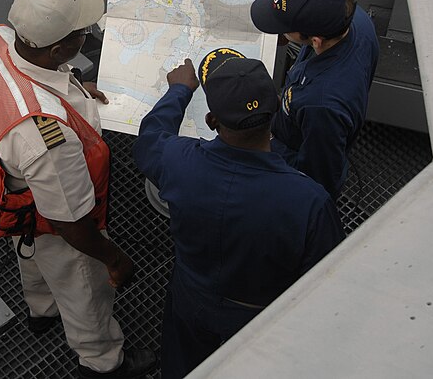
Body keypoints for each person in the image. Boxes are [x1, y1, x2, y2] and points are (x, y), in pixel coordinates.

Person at [0, 0, 157, 378]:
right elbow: (69, 222)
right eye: (80, 33)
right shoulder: (49, 139)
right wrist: (113, 258)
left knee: (31, 257)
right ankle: (102, 361)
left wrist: (73, 90)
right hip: (55, 221)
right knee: (83, 287)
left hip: (16, 192)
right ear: (57, 50)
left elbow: (13, 83)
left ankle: (42, 312)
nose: (86, 34)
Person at [133, 48, 345, 378]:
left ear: (212, 120)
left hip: (192, 297)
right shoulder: (308, 200)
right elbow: (325, 276)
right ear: (275, 110)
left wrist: (179, 90)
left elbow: (148, 139)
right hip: (261, 314)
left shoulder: (178, 161)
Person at [250, 0, 379, 201]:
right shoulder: (354, 18)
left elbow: (318, 178)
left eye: (285, 28)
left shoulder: (321, 105)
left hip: (294, 158)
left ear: (316, 41)